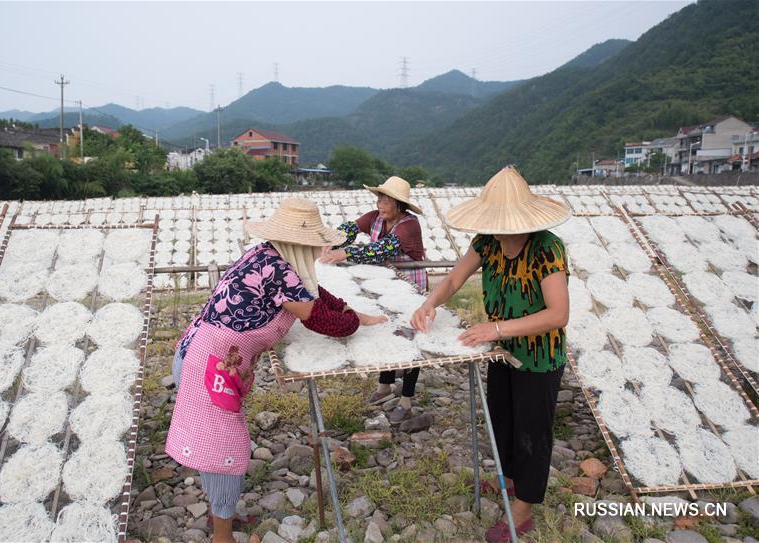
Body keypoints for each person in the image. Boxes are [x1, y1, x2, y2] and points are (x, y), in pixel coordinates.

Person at [166, 198, 387, 543]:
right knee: (226, 451)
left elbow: (314, 291)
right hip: (209, 368)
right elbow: (322, 319)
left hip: (200, 354)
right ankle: (221, 537)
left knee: (213, 448)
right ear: (300, 242)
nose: (316, 252)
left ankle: (221, 517)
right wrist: (354, 322)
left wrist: (352, 309)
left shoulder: (266, 255)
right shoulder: (279, 270)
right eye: (313, 245)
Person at [410, 166, 571, 543]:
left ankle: (524, 508)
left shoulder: (547, 248)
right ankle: (511, 479)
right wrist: (429, 302)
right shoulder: (487, 241)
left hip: (538, 356)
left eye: (505, 222)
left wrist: (496, 328)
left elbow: (557, 313)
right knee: (503, 417)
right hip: (500, 351)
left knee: (532, 430)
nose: (500, 229)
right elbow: (453, 278)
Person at [319, 176, 427, 423]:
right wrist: (332, 243)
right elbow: (348, 230)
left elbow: (382, 249)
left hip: (410, 284)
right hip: (386, 282)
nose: (379, 203)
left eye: (385, 199)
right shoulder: (374, 218)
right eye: (378, 198)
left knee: (410, 334)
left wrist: (345, 252)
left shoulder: (410, 225)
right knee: (386, 328)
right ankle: (385, 386)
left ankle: (407, 399)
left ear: (399, 204)